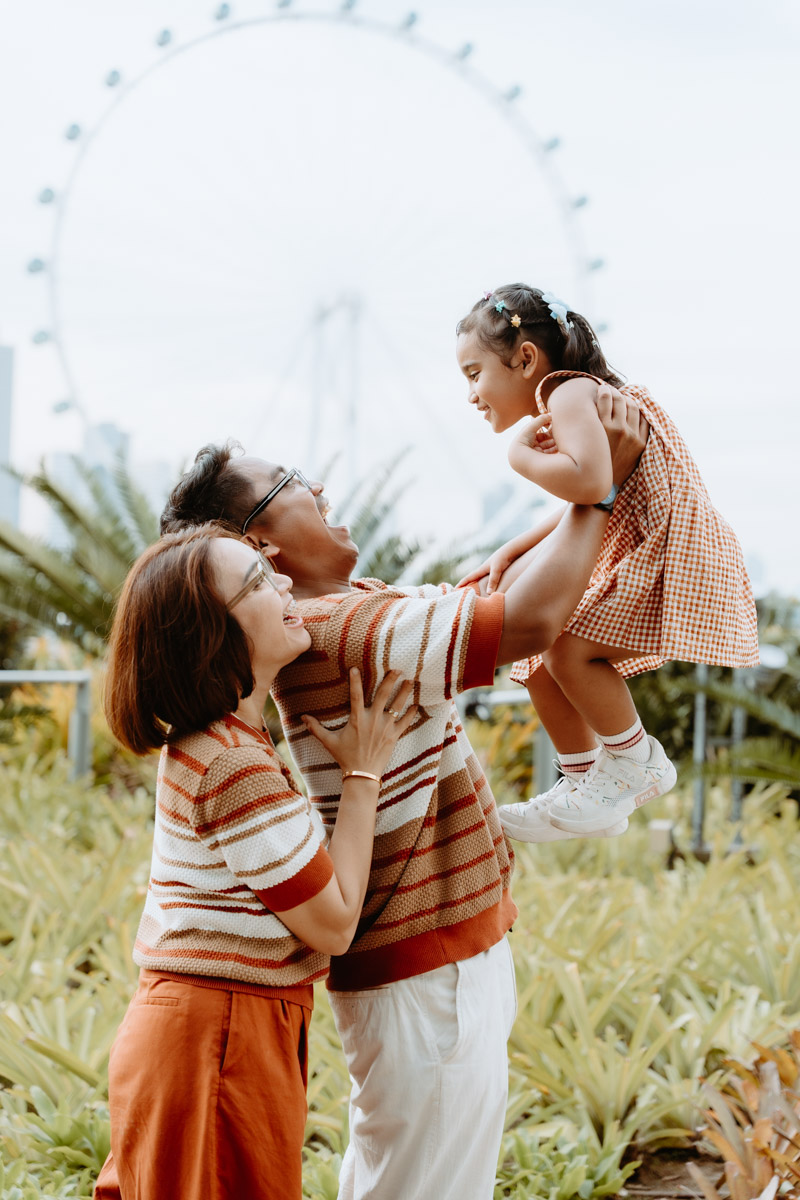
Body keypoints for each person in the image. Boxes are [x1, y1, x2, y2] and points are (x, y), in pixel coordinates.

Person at [158, 403, 645, 1200]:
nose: (318, 486)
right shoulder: (335, 628)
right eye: (290, 482)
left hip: (437, 962)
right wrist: (597, 489)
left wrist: (570, 508)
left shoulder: (354, 604)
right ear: (261, 546)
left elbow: (491, 594)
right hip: (428, 970)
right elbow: (529, 621)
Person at [93, 525, 416, 1200]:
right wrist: (362, 775)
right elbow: (333, 925)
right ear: (211, 634)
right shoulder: (234, 764)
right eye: (258, 582)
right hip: (219, 1034)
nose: (286, 583)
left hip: (206, 1029)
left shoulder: (219, 742)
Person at [456, 283, 759, 840]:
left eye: (475, 374)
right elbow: (597, 490)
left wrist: (519, 456)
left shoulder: (568, 392)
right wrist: (516, 545)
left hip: (671, 556)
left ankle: (638, 762)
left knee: (568, 649)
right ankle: (586, 785)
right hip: (655, 547)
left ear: (525, 359)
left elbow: (592, 485)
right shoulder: (580, 396)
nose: (471, 394)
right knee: (538, 658)